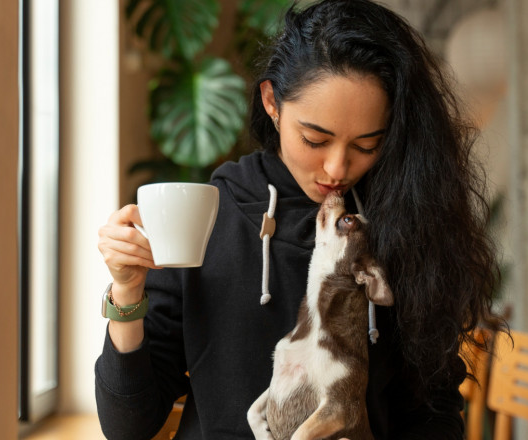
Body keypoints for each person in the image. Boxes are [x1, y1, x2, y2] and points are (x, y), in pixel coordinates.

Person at [95, 0, 502, 438]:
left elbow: (431, 414)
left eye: (366, 145)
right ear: (272, 102)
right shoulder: (208, 221)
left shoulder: (402, 222)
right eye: (315, 139)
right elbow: (128, 426)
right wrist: (126, 292)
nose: (337, 169)